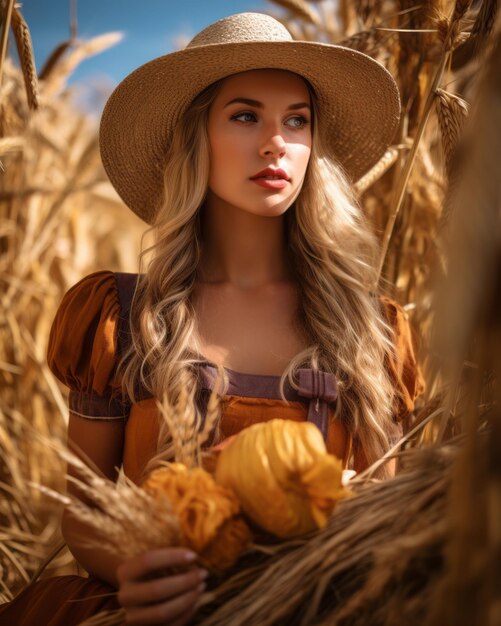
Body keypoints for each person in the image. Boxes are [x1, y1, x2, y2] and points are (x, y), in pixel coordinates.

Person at [0, 11, 425, 626]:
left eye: (297, 120)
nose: (276, 141)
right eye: (245, 115)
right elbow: (83, 507)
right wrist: (131, 573)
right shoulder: (122, 316)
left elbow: (388, 514)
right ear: (195, 135)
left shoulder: (371, 331)